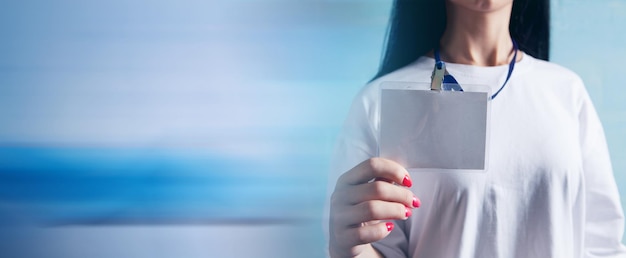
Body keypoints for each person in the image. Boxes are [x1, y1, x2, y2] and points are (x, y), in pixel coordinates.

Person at [327, 0, 626, 257]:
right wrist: (349, 249)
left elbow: (604, 246)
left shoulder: (567, 92)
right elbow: (375, 247)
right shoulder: (379, 103)